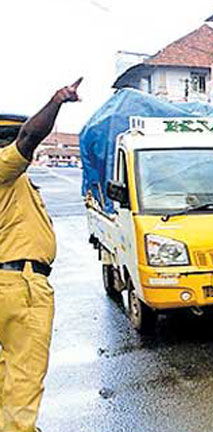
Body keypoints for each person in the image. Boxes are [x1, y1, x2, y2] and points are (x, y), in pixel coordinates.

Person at [0, 78, 82, 432]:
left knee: (8, 373)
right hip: (20, 284)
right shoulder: (4, 168)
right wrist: (56, 101)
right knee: (24, 379)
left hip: (10, 284)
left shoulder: (15, 182)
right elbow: (29, 138)